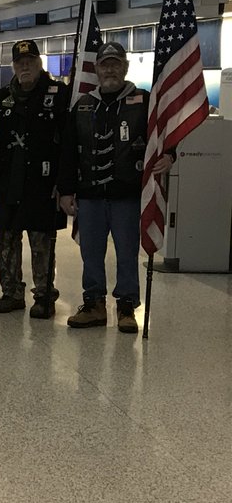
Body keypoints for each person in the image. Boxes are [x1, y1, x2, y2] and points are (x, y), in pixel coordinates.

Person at [58, 41, 172, 333]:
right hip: (90, 194)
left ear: (125, 67)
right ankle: (94, 304)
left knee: (126, 252)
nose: (110, 69)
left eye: (115, 63)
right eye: (104, 64)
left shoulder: (144, 101)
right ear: (96, 69)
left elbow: (166, 132)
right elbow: (69, 151)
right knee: (91, 253)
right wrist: (67, 190)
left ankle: (126, 307)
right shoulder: (82, 105)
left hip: (128, 194)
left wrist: (170, 154)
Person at [0, 39, 69, 318]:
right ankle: (11, 293)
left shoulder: (58, 94)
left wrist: (64, 182)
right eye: (20, 63)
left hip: (42, 182)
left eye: (30, 61)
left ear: (39, 63)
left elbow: (67, 143)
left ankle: (44, 295)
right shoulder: (4, 97)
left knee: (42, 242)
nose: (25, 66)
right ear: (13, 66)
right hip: (9, 180)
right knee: (6, 240)